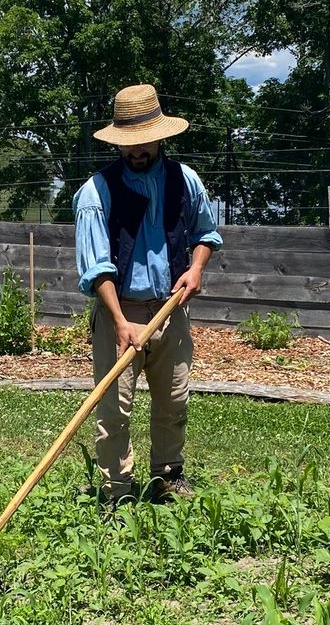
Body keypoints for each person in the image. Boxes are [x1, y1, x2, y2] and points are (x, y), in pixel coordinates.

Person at [73, 83, 223, 506]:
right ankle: (116, 492)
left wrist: (195, 269)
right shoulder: (95, 193)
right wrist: (120, 322)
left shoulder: (184, 180)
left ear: (160, 136)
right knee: (114, 411)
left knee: (174, 399)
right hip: (119, 313)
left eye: (144, 142)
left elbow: (205, 235)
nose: (137, 151)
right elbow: (97, 266)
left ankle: (167, 479)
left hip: (172, 311)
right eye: (129, 144)